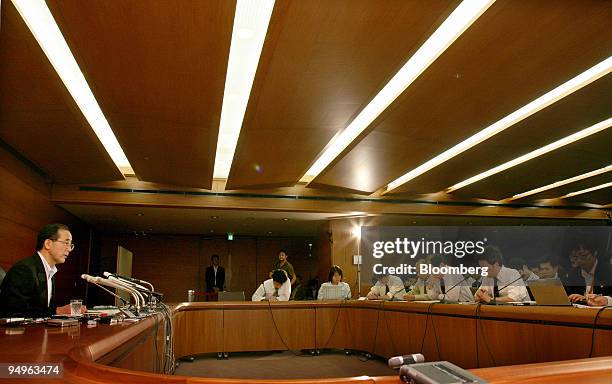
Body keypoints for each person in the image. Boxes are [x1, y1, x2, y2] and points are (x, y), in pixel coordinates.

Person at [0, 223, 86, 317]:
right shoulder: (24, 270)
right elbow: (14, 311)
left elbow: (43, 310)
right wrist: (57, 311)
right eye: (66, 243)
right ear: (48, 243)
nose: (69, 249)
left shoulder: (49, 270)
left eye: (70, 245)